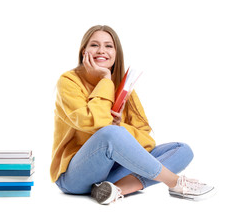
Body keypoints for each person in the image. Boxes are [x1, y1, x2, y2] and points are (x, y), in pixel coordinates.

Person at [50, 25, 214, 204]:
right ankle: (174, 182)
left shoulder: (124, 86)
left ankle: (114, 190)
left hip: (111, 172)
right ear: (84, 51)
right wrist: (105, 79)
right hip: (74, 176)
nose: (101, 51)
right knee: (111, 133)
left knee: (182, 150)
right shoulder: (68, 81)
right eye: (94, 45)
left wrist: (119, 127)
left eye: (108, 46)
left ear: (116, 52)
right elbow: (93, 122)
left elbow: (147, 140)